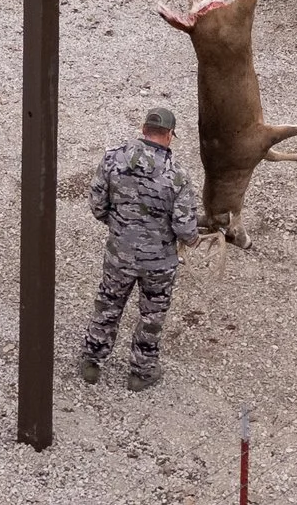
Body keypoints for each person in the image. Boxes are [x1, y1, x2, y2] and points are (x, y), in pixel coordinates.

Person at [77, 106, 200, 390]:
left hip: (119, 253)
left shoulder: (113, 159)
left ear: (144, 130)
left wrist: (120, 225)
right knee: (152, 315)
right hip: (159, 262)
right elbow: (184, 228)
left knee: (108, 304)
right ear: (169, 135)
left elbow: (97, 205)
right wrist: (193, 238)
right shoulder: (177, 175)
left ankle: (92, 362)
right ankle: (140, 373)